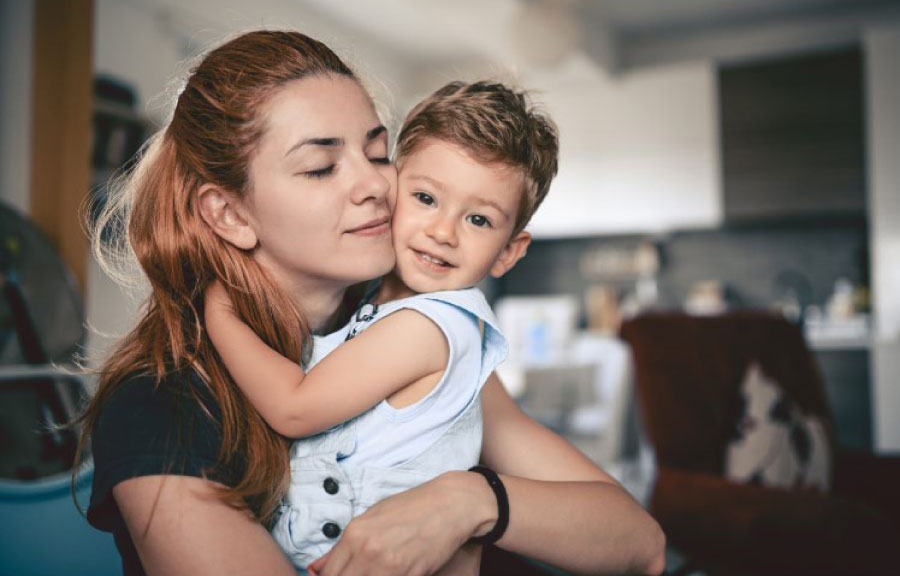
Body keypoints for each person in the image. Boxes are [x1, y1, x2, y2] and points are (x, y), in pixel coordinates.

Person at [75, 30, 666, 576]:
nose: (377, 186)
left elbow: (640, 542)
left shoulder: (411, 338)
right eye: (320, 167)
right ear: (230, 214)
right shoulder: (162, 405)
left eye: (379, 153)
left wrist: (470, 501)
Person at [203, 80, 551, 572]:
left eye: (478, 220)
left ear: (509, 252)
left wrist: (217, 311)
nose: (442, 231)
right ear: (392, 189)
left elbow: (294, 408)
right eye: (426, 198)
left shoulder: (432, 327)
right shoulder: (370, 302)